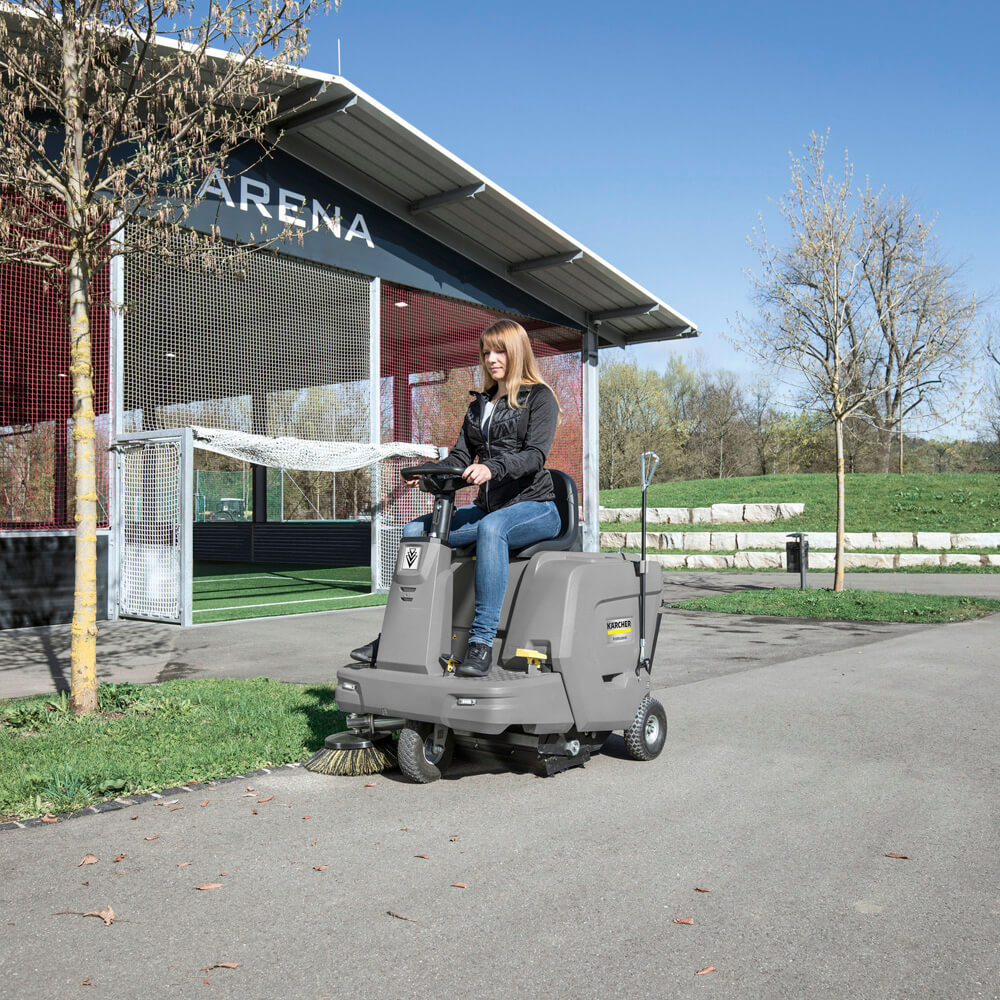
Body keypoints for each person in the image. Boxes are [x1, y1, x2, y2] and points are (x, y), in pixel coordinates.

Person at [352, 319, 562, 677]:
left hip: (536, 506)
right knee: (416, 528)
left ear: (517, 352)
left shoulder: (539, 397)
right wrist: (430, 473)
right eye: (486, 352)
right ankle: (395, 635)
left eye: (500, 351)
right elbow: (460, 459)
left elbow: (534, 457)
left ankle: (479, 644)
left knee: (492, 528)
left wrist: (493, 468)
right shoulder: (479, 406)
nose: (492, 359)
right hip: (490, 507)